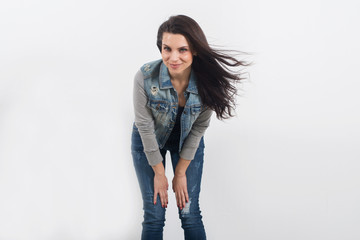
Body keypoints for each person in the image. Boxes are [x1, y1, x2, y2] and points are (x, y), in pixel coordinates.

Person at [131, 15, 248, 240]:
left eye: (182, 50)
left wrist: (180, 172)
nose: (173, 57)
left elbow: (199, 127)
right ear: (161, 48)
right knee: (154, 216)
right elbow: (144, 126)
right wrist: (159, 173)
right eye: (167, 49)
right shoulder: (145, 77)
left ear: (194, 50)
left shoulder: (207, 82)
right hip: (149, 141)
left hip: (187, 143)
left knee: (190, 213)